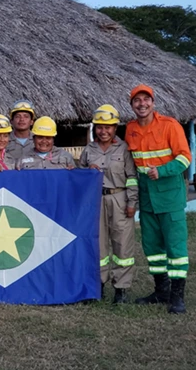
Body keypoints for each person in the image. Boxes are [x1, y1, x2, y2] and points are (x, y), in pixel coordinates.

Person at [125, 84, 192, 314]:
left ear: (153, 102)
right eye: (137, 100)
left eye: (146, 100)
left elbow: (185, 158)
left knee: (175, 246)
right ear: (132, 105)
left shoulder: (170, 125)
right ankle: (161, 291)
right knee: (152, 248)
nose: (142, 104)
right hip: (146, 198)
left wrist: (162, 171)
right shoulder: (130, 128)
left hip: (169, 197)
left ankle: (177, 297)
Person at [79, 105, 138, 304]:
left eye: (108, 127)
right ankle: (99, 285)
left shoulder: (124, 148)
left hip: (119, 199)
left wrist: (132, 202)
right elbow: (80, 177)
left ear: (115, 128)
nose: (103, 131)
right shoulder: (89, 150)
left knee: (122, 245)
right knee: (99, 245)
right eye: (100, 127)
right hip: (96, 202)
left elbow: (132, 177)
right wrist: (88, 169)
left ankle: (121, 289)